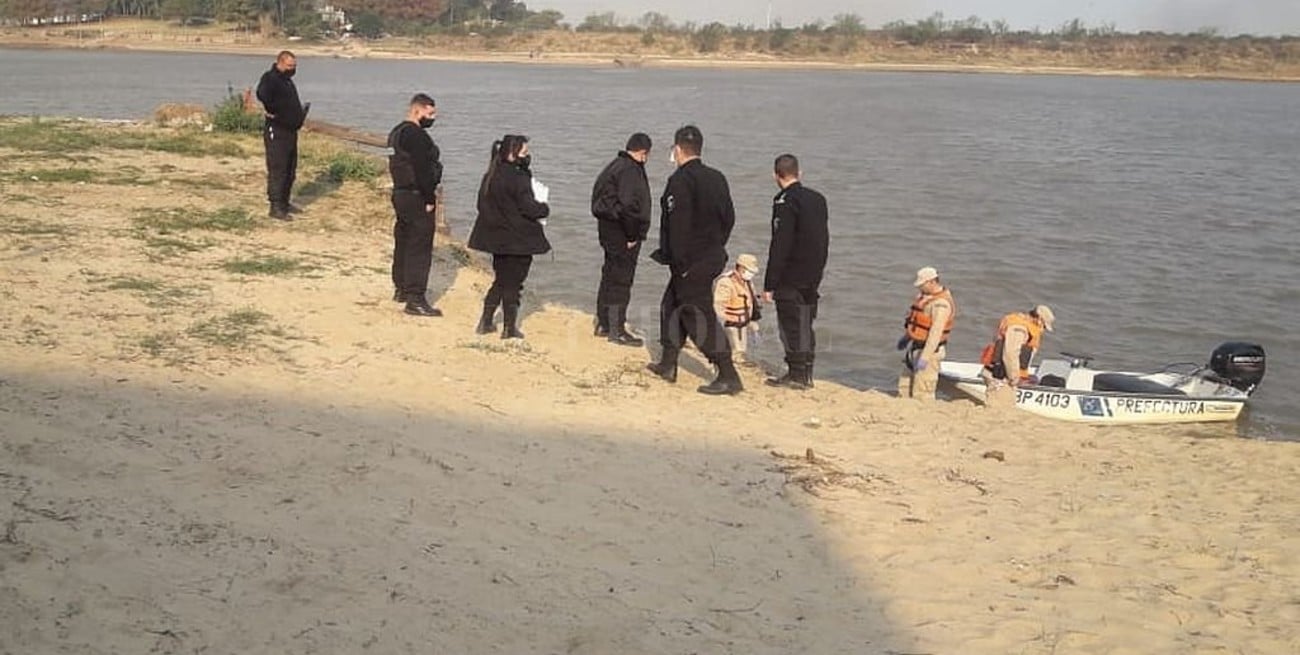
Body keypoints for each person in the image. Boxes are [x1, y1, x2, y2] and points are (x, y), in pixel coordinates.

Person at [646, 125, 742, 395]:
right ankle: (668, 363)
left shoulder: (680, 181)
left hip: (690, 260)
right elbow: (729, 218)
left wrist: (680, 261)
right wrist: (716, 245)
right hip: (711, 255)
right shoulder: (717, 178)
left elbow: (677, 224)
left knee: (696, 313)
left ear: (677, 149)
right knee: (671, 305)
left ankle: (728, 373)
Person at [467, 135, 550, 340]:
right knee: (514, 284)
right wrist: (544, 208)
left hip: (497, 240)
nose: (528, 156)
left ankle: (486, 321)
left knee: (501, 280)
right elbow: (529, 208)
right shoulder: (519, 178)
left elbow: (481, 206)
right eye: (524, 152)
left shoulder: (490, 175)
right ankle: (509, 327)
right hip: (518, 241)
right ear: (513, 154)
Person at [762, 154, 829, 390]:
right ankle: (807, 371)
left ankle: (796, 374)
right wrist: (819, 271)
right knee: (806, 322)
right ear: (799, 173)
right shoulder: (818, 199)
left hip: (791, 273)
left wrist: (769, 283)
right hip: (813, 272)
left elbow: (781, 243)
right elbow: (823, 239)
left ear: (775, 175)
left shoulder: (784, 201)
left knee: (790, 325)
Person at [590, 132, 652, 346]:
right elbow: (629, 206)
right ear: (643, 153)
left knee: (609, 276)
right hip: (622, 234)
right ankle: (616, 330)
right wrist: (632, 235)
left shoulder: (614, 165)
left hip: (608, 231)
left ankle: (604, 323)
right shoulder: (630, 170)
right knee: (621, 281)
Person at [386, 93, 443, 317]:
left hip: (400, 193)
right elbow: (421, 169)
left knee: (404, 240)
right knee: (419, 246)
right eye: (430, 113)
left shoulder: (397, 132)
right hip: (416, 195)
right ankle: (415, 298)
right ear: (417, 110)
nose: (433, 117)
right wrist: (429, 198)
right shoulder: (416, 135)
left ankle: (401, 288)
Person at [255, 51, 309, 221]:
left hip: (290, 131)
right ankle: (276, 206)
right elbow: (262, 94)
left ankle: (284, 202)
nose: (293, 69)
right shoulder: (271, 78)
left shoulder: (286, 80)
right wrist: (273, 109)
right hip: (277, 130)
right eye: (289, 66)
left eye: (294, 66)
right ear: (280, 63)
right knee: (278, 169)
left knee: (290, 169)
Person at [897, 266, 956, 400]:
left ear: (932, 282)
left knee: (922, 390)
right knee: (905, 385)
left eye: (922, 285)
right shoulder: (924, 298)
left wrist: (925, 357)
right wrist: (906, 338)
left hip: (930, 351)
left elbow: (935, 334)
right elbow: (917, 322)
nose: (919, 288)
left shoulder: (941, 305)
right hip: (915, 347)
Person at [980, 305, 1056, 404]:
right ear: (1039, 319)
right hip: (1001, 377)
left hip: (1000, 375)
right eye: (1044, 326)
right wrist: (1014, 378)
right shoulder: (1020, 328)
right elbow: (1010, 354)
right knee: (1001, 406)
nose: (1042, 329)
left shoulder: (1021, 323)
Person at [713, 253, 762, 364]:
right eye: (750, 271)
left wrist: (753, 322)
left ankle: (738, 361)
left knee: (742, 350)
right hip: (730, 323)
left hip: (742, 322)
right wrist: (726, 319)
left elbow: (751, 302)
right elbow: (718, 306)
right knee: (735, 349)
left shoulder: (748, 283)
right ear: (741, 268)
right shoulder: (726, 282)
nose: (751, 275)